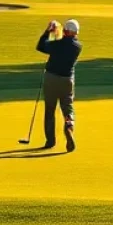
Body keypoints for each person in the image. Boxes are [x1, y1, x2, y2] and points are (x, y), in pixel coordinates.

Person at [36, 18, 82, 151]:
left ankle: (50, 141)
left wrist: (49, 31)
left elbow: (41, 46)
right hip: (67, 81)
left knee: (50, 110)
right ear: (76, 33)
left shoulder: (57, 44)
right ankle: (69, 128)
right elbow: (64, 44)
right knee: (68, 108)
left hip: (51, 79)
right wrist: (60, 35)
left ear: (66, 31)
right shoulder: (78, 46)